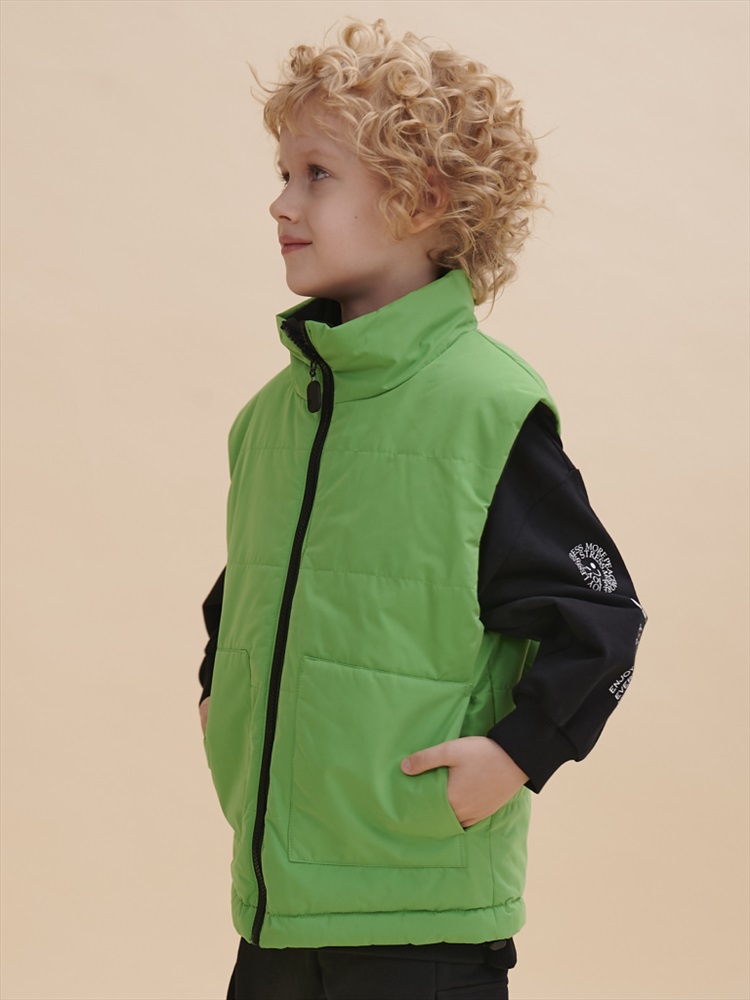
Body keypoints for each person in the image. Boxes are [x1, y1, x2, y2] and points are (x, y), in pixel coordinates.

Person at [197, 19, 646, 1000]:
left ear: (424, 197)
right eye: (282, 172)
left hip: (422, 923)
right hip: (274, 910)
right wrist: (217, 697)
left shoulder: (487, 410)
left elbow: (603, 617)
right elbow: (248, 591)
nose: (281, 201)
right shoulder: (271, 419)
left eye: (317, 174)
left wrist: (515, 756)